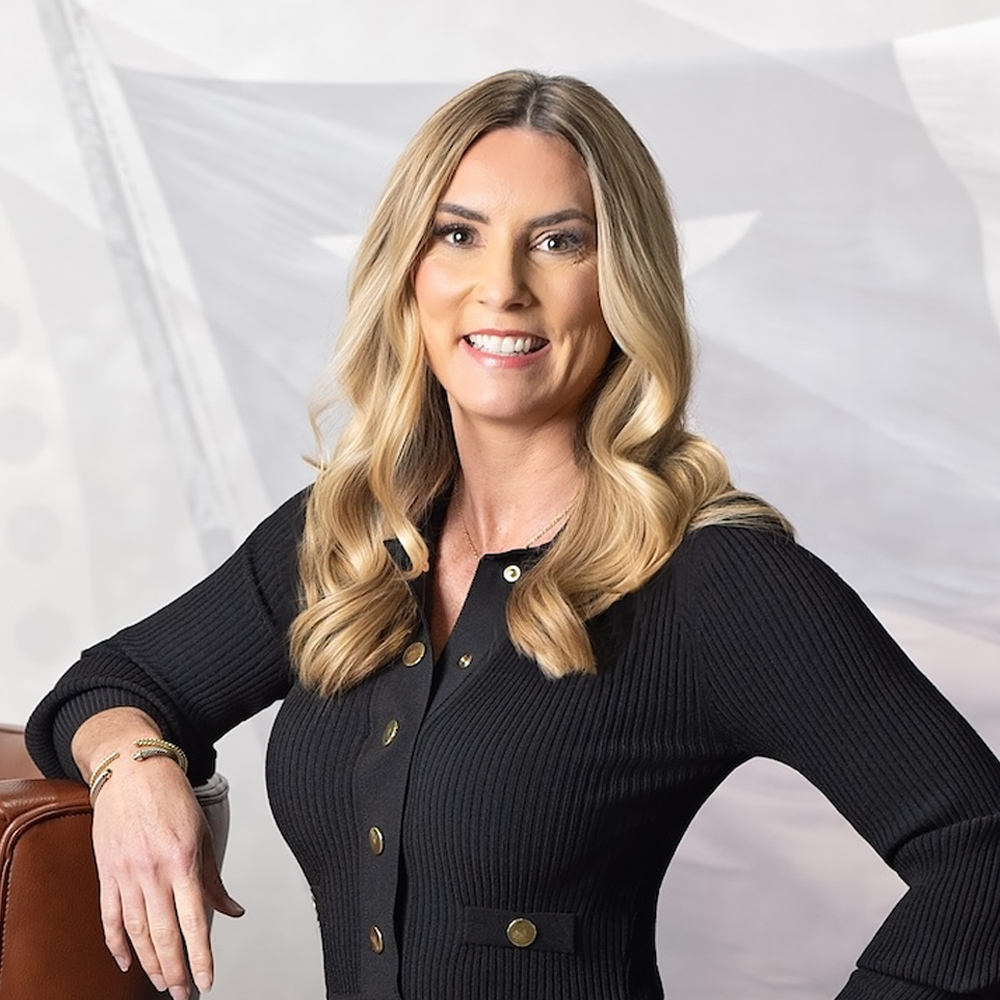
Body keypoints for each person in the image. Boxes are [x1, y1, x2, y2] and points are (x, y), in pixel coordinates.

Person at [27, 70, 1000, 1000]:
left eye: (559, 242)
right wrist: (133, 768)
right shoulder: (350, 541)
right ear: (407, 272)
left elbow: (981, 850)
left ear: (623, 283)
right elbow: (107, 687)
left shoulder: (710, 579)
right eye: (458, 234)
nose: (503, 286)